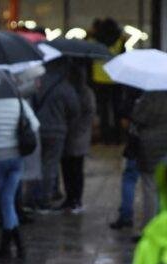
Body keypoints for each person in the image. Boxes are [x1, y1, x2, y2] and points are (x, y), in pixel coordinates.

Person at [0, 96, 39, 258]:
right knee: (8, 201)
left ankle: (10, 246)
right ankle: (15, 245)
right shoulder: (19, 102)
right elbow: (35, 124)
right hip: (16, 158)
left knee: (5, 201)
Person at [129, 90, 167, 228]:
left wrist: (137, 105)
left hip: (150, 144)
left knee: (149, 187)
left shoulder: (150, 96)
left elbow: (138, 117)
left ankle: (150, 227)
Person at [33, 57, 80, 212]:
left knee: (37, 165)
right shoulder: (65, 86)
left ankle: (34, 197)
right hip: (57, 131)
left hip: (37, 128)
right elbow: (74, 109)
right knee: (50, 166)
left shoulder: (39, 83)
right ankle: (45, 200)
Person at [58, 59, 96, 214]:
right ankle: (72, 198)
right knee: (71, 168)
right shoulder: (80, 92)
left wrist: (76, 127)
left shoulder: (82, 92)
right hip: (75, 135)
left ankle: (74, 198)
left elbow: (88, 113)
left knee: (73, 168)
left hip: (75, 135)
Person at [109, 87, 143, 230]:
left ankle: (126, 216)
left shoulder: (132, 95)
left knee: (129, 179)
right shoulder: (162, 94)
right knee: (152, 184)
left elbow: (124, 121)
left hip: (135, 145)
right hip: (159, 146)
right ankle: (155, 217)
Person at [91, 18, 126, 145]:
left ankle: (105, 138)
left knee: (103, 111)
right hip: (116, 79)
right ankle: (118, 137)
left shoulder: (94, 41)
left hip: (99, 79)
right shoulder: (120, 41)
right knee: (117, 110)